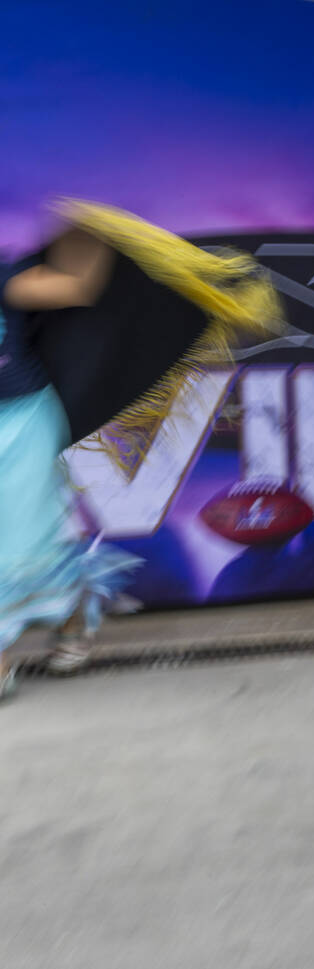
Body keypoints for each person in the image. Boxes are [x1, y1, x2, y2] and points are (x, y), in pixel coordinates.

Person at [0, 202, 280, 694]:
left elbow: (78, 288)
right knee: (23, 544)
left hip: (20, 424)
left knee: (17, 544)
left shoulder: (8, 279)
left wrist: (91, 234)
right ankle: (77, 615)